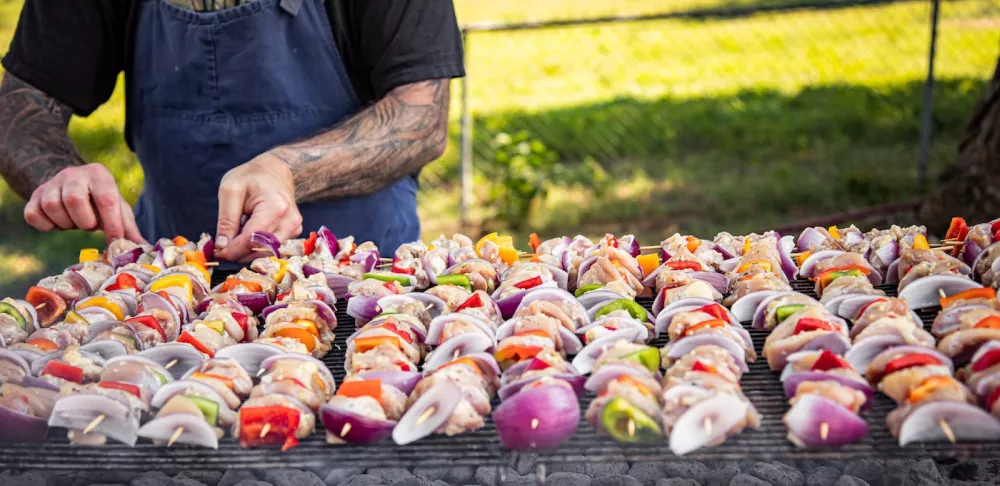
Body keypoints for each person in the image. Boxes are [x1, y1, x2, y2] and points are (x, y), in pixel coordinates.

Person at [0, 0, 463, 262]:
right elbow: (21, 106)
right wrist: (57, 174)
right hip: (170, 282)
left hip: (361, 280)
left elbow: (419, 118)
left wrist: (288, 170)